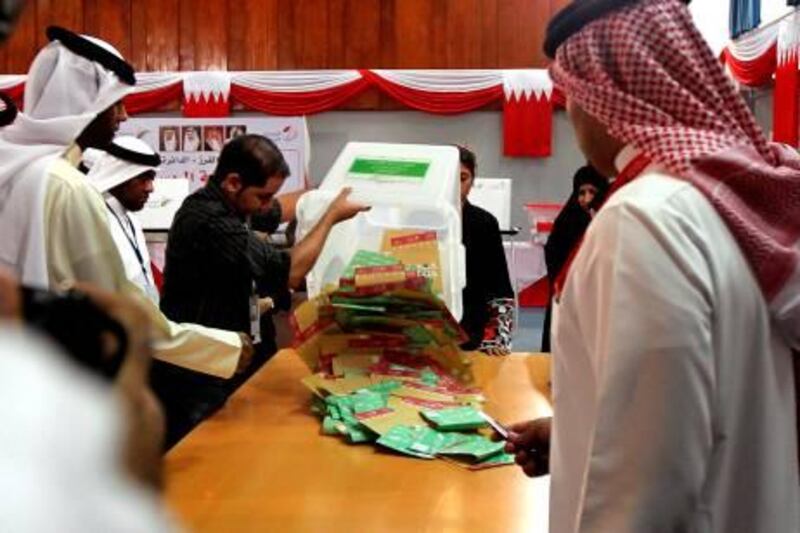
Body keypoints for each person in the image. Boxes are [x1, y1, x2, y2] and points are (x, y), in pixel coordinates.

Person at [505, 1, 800, 531]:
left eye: (569, 96)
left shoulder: (646, 218)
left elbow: (644, 485)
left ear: (601, 95)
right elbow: (699, 403)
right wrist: (574, 433)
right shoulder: (728, 204)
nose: (571, 117)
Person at [0, 27, 251, 390]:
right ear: (85, 106)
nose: (124, 117)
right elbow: (115, 304)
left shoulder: (14, 165)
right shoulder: (66, 185)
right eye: (116, 103)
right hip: (60, 382)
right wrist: (221, 349)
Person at [158, 134, 367, 446]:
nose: (266, 206)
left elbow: (279, 209)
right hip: (203, 372)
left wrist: (324, 194)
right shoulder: (207, 219)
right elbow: (292, 272)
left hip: (236, 358)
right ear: (232, 182)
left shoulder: (235, 202)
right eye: (262, 196)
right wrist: (331, 217)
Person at [85, 136, 160, 304]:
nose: (150, 188)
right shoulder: (95, 218)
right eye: (143, 179)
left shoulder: (131, 218)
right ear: (120, 177)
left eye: (151, 178)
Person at [541, 165, 608, 352]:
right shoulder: (565, 222)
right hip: (567, 300)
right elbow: (554, 259)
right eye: (581, 192)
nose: (586, 199)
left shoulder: (611, 219)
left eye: (592, 192)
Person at [457, 145, 514, 354]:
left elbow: (500, 285)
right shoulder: (417, 220)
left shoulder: (485, 223)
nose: (455, 186)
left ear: (472, 182)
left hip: (475, 334)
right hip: (427, 338)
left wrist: (497, 338)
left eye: (463, 178)